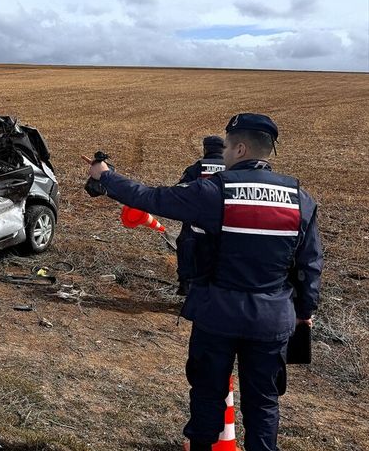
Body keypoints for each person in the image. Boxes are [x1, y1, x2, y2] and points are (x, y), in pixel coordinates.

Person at [85, 113, 322, 451]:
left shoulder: (215, 191)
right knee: (264, 404)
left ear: (240, 148)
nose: (223, 152)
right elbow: (310, 264)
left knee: (208, 399)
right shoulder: (301, 199)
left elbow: (151, 198)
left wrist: (106, 176)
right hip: (272, 319)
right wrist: (304, 311)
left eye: (227, 146)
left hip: (217, 315)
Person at [175, 136, 226, 295]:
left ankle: (186, 285)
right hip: (224, 224)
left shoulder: (197, 168)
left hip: (195, 224)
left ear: (205, 149)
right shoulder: (233, 169)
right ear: (223, 150)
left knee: (186, 247)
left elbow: (179, 193)